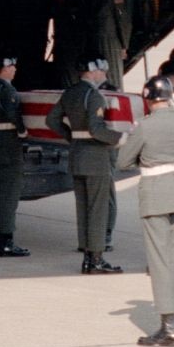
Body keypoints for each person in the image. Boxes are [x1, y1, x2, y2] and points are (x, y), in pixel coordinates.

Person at [116, 75, 174, 347]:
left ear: (148, 98)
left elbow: (123, 161)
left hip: (156, 193)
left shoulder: (145, 127)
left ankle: (168, 328)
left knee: (160, 261)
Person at [45, 57, 123, 274]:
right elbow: (97, 130)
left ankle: (87, 256)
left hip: (77, 155)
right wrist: (120, 138)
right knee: (97, 209)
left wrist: (72, 136)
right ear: (92, 72)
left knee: (83, 208)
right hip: (96, 158)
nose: (105, 75)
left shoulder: (70, 93)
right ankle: (96, 259)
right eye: (102, 71)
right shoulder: (95, 96)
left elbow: (51, 120)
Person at [0, 57, 31, 257]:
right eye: (10, 66)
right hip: (10, 146)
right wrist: (22, 131)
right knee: (10, 195)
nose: (14, 69)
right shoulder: (9, 91)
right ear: (2, 70)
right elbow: (13, 114)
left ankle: (0, 239)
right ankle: (7, 242)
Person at [86, 0, 133, 90]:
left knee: (112, 78)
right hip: (97, 42)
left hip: (111, 44)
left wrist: (124, 46)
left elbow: (123, 23)